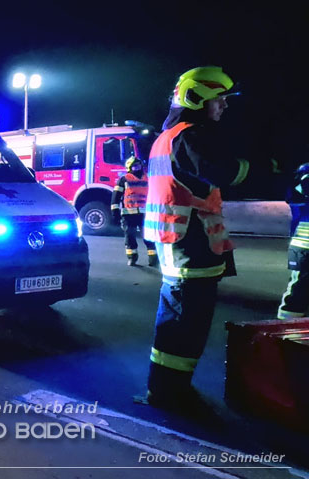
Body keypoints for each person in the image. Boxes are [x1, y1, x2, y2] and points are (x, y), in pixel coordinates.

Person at [139, 66, 261, 409]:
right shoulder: (189, 136)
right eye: (218, 100)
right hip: (190, 245)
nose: (223, 107)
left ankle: (169, 388)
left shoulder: (170, 136)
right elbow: (218, 171)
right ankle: (167, 392)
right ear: (197, 99)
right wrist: (264, 168)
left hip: (182, 243)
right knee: (183, 323)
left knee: (181, 320)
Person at [277, 163, 309, 320]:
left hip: (303, 244)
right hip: (305, 245)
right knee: (298, 293)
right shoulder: (303, 176)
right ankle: (286, 333)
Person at [111, 156, 157, 266]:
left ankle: (153, 258)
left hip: (146, 213)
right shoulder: (124, 179)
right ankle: (132, 258)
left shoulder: (148, 178)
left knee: (148, 236)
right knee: (130, 237)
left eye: (138, 165)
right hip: (128, 214)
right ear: (129, 168)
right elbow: (116, 196)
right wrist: (115, 211)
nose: (137, 167)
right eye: (134, 166)